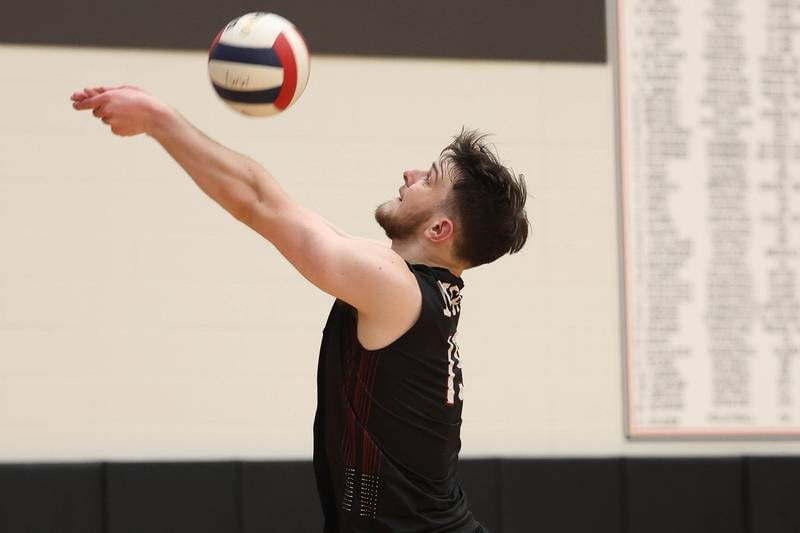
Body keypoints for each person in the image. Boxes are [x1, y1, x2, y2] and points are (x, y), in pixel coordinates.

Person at [71, 85, 529, 533]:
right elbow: (282, 209)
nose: (411, 174)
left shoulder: (393, 287)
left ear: (439, 228)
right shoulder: (416, 291)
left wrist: (158, 120)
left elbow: (258, 201)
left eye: (429, 178)